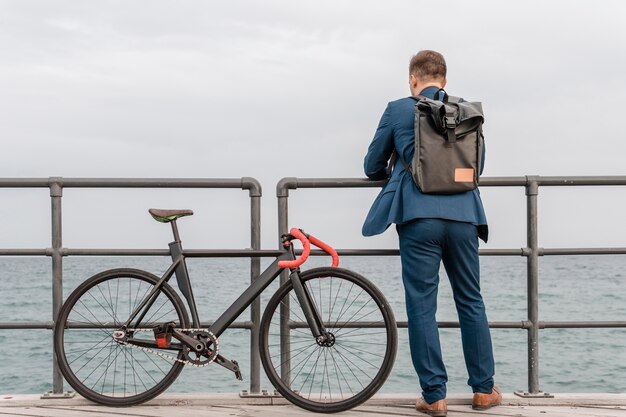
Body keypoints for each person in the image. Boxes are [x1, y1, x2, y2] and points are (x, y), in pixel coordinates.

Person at [362, 50, 501, 416]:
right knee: (471, 300)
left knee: (422, 304)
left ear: (413, 80)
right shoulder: (468, 112)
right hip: (464, 216)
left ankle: (434, 395)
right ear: (444, 80)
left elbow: (371, 164)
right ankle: (484, 391)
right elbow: (477, 166)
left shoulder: (398, 109)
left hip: (418, 216)